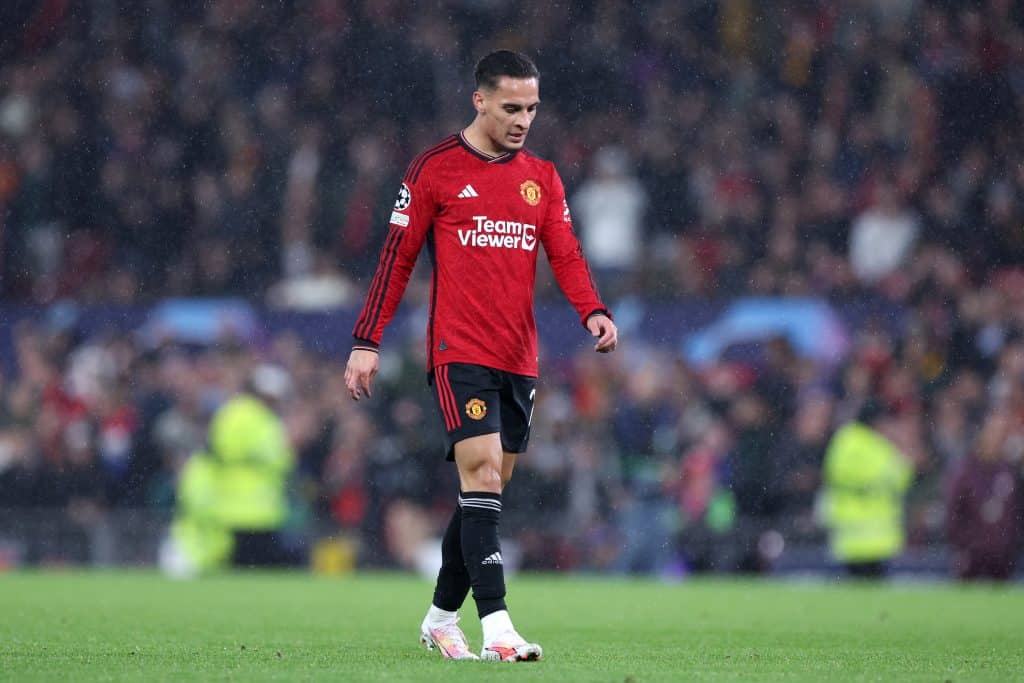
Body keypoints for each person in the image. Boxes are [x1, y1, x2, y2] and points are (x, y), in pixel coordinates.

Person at [344, 50, 617, 662]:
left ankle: (440, 618)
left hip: (519, 356)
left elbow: (565, 251)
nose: (524, 120)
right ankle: (498, 629)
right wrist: (367, 341)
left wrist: (592, 310)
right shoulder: (435, 169)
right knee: (484, 475)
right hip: (458, 350)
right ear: (480, 100)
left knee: (485, 493)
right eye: (512, 107)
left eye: (532, 109)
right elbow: (396, 258)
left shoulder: (542, 177)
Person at [819, 401, 913, 578]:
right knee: (871, 585)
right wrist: (902, 447)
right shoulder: (873, 445)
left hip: (847, 532)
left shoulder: (843, 440)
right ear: (876, 421)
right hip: (874, 536)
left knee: (853, 585)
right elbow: (900, 477)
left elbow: (832, 473)